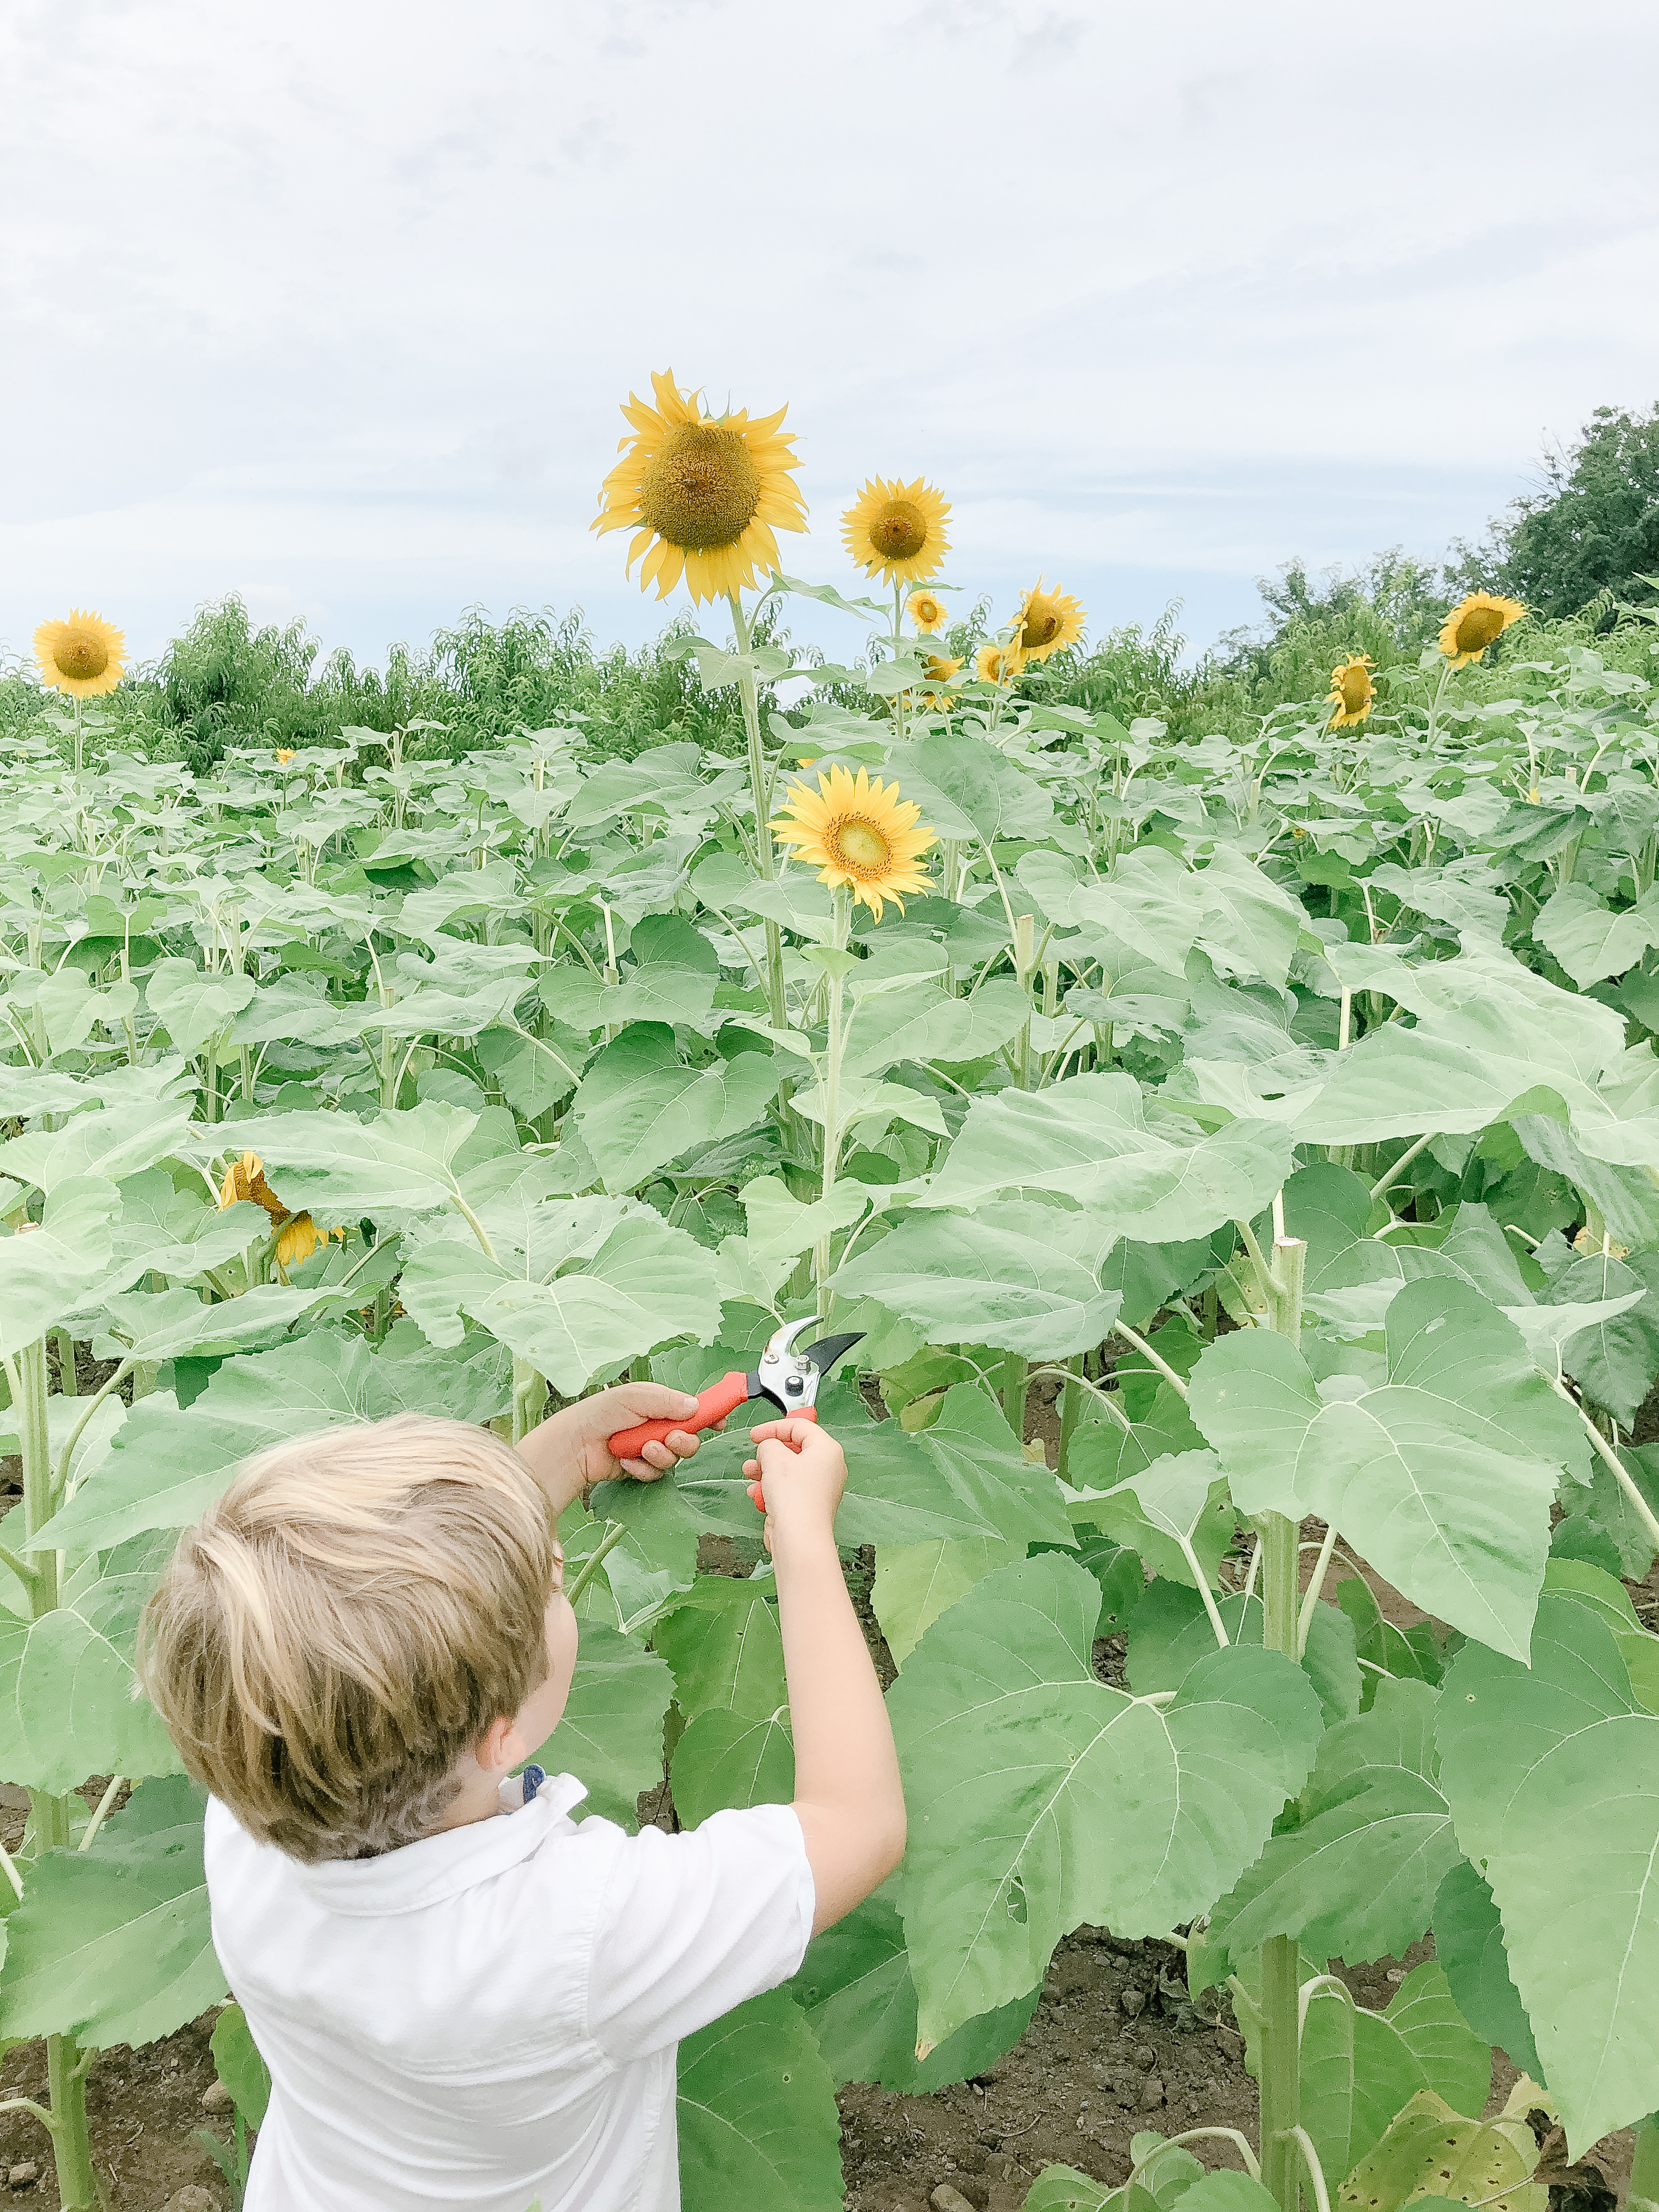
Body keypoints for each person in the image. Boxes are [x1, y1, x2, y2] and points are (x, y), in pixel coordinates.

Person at [139, 1383, 906, 2212]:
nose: (559, 1566)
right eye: (549, 1587)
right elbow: (855, 1825)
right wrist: (803, 1541)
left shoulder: (257, 1801)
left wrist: (569, 1452)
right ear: (499, 1732)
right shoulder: (578, 1933)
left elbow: (391, 1627)